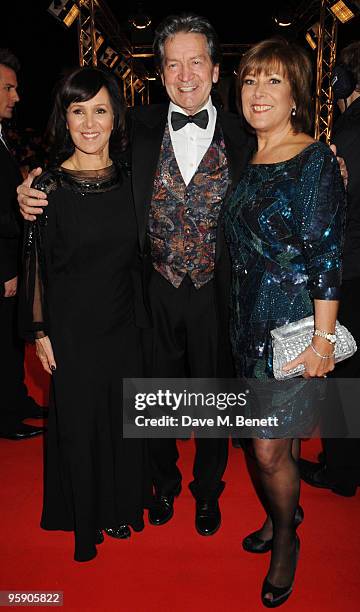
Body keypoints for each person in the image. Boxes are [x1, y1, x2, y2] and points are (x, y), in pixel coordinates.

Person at [17, 13, 253, 536]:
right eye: (174, 64)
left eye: (197, 63)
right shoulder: (137, 129)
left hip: (217, 293)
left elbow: (289, 157)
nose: (185, 75)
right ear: (160, 72)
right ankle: (162, 485)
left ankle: (207, 492)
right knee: (156, 399)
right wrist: (32, 187)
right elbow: (82, 161)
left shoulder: (247, 136)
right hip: (151, 294)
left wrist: (330, 158)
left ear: (217, 70)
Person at [223, 39, 346, 606]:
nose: (259, 92)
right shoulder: (249, 157)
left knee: (268, 448)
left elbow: (326, 254)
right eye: (250, 81)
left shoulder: (313, 157)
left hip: (294, 331)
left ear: (296, 92)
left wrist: (323, 341)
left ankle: (286, 542)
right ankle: (279, 516)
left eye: (273, 81)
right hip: (248, 325)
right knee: (278, 445)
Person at [18, 67, 152, 562]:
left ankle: (119, 507)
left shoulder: (133, 179)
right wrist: (40, 332)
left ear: (116, 117)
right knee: (79, 421)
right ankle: (85, 517)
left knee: (120, 418)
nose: (90, 123)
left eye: (100, 110)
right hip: (71, 327)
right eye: (79, 111)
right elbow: (33, 263)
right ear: (65, 118)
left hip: (124, 322)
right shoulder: (45, 187)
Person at [299, 39, 360, 497]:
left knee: (348, 375)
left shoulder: (354, 132)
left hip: (356, 269)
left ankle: (344, 471)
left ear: (342, 81)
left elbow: (335, 210)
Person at [0, 48, 45, 440]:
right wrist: (6, 270)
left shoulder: (1, 135)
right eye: (8, 88)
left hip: (9, 256)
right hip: (2, 265)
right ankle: (5, 415)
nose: (16, 97)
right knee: (3, 344)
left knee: (13, 342)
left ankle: (16, 400)